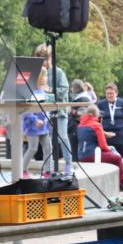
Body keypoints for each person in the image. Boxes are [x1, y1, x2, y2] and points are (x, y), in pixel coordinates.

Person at [76, 105, 123, 191]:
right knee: (116, 158)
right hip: (91, 155)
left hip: (81, 156)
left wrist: (104, 134)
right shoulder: (96, 125)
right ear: (95, 115)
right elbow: (103, 146)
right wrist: (110, 151)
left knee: (112, 150)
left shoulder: (80, 126)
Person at [34, 43, 74, 175]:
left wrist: (49, 92)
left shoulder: (58, 72)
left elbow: (64, 90)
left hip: (60, 111)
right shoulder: (36, 73)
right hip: (43, 113)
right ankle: (48, 168)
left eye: (44, 58)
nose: (42, 61)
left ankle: (69, 164)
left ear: (50, 58)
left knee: (62, 136)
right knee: (47, 142)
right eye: (39, 58)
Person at [98, 83, 123, 167]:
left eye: (111, 93)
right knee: (109, 157)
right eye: (107, 93)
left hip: (121, 133)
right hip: (107, 134)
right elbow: (98, 120)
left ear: (116, 93)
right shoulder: (101, 104)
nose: (109, 95)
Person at [21, 87, 53, 179]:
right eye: (44, 77)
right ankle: (23, 169)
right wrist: (35, 120)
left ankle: (48, 171)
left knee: (48, 148)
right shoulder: (28, 91)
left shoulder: (42, 91)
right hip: (32, 127)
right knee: (33, 148)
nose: (46, 79)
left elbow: (47, 108)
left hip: (44, 126)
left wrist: (47, 120)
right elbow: (25, 109)